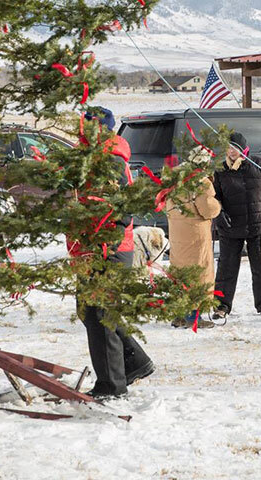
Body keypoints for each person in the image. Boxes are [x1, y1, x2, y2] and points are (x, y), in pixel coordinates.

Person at [73, 111, 155, 399]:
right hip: (90, 248)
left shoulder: (110, 159)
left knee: (101, 316)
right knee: (88, 312)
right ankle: (135, 363)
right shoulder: (92, 159)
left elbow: (122, 208)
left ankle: (112, 385)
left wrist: (106, 243)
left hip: (108, 248)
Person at [213, 131, 261, 317]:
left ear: (243, 149)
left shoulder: (259, 164)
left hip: (258, 224)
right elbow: (213, 197)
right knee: (226, 267)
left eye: (235, 148)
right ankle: (221, 306)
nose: (231, 152)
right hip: (230, 226)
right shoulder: (220, 170)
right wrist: (218, 214)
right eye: (228, 148)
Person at [165, 148, 221, 329]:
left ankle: (179, 315)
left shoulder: (176, 179)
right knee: (198, 273)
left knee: (180, 271)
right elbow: (207, 209)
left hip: (177, 232)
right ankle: (193, 317)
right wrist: (218, 205)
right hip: (195, 235)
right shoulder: (201, 182)